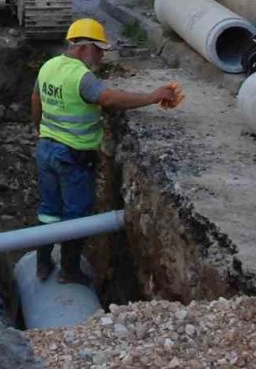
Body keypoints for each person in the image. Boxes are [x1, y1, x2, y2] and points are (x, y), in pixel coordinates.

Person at [32, 18, 183, 285]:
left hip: (46, 149)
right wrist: (151, 96)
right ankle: (69, 269)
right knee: (76, 214)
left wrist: (41, 130)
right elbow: (109, 99)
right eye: (98, 49)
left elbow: (36, 100)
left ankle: (43, 265)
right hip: (73, 156)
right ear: (83, 47)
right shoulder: (81, 76)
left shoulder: (48, 67)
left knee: (48, 210)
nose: (102, 54)